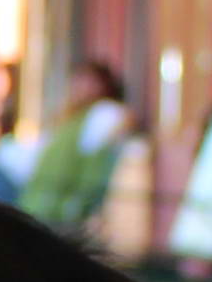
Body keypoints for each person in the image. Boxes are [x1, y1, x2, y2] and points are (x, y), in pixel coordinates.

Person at [11, 58, 133, 234]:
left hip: (64, 210)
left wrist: (81, 204)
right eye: (78, 80)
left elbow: (98, 166)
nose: (80, 87)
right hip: (45, 202)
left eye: (89, 81)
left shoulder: (104, 114)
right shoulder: (72, 118)